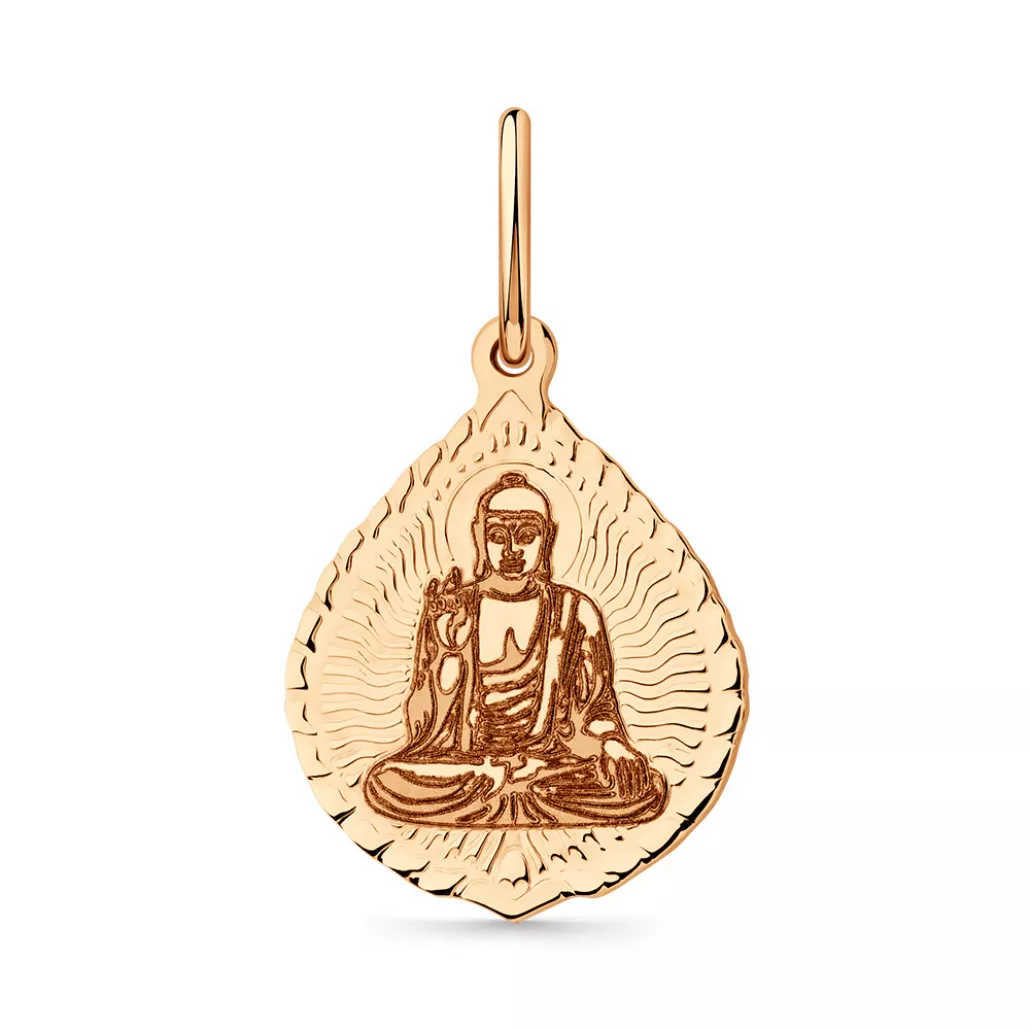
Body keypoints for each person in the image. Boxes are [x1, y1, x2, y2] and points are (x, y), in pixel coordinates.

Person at [364, 472, 668, 827]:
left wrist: (612, 745)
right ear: (479, 536)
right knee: (384, 780)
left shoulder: (575, 610)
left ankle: (507, 791)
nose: (511, 551)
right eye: (497, 536)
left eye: (526, 536)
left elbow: (595, 710)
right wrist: (447, 650)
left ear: (548, 537)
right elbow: (425, 730)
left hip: (546, 771)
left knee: (646, 788)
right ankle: (500, 784)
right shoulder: (456, 606)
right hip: (473, 769)